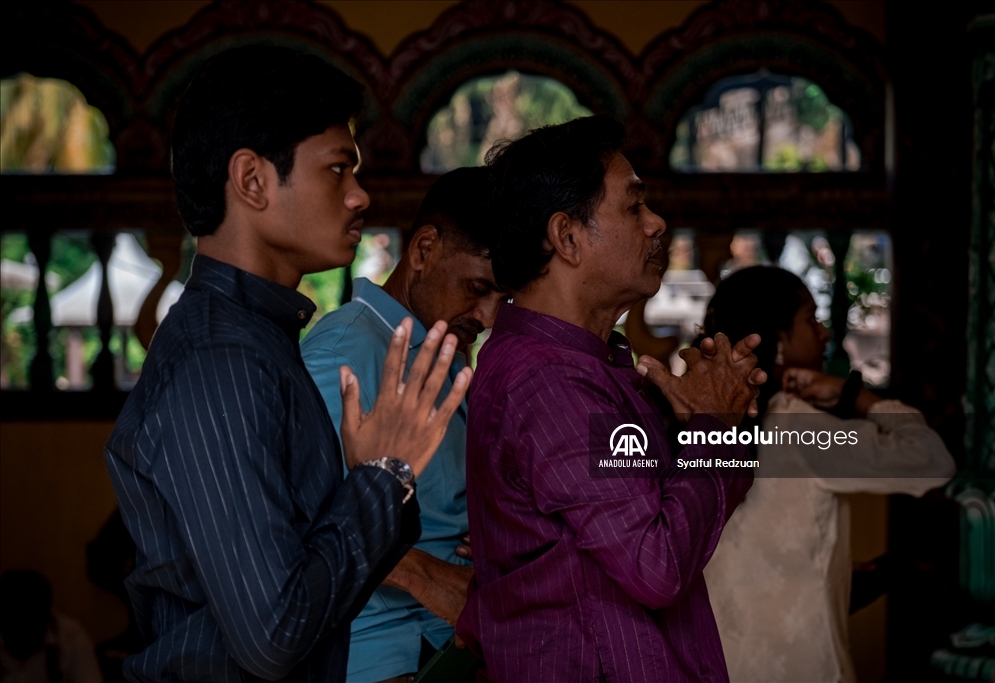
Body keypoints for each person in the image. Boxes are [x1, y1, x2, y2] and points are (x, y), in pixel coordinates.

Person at [104, 46, 472, 683]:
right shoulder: (221, 360)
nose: (359, 196)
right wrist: (384, 477)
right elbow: (273, 634)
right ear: (252, 180)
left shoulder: (261, 338)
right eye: (337, 169)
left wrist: (375, 481)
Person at [455, 115, 767, 682]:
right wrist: (712, 427)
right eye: (633, 207)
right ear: (567, 238)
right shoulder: (548, 383)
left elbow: (693, 510)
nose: (657, 224)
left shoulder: (592, 364)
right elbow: (657, 565)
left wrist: (723, 419)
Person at [699, 265, 956, 682]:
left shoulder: (700, 424)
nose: (823, 333)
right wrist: (854, 394)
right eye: (809, 319)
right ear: (779, 342)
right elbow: (930, 460)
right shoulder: (796, 425)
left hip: (715, 664)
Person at [301, 167, 502, 683]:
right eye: (478, 287)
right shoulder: (343, 351)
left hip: (445, 650)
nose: (487, 316)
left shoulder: (446, 353)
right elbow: (290, 518)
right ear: (424, 249)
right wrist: (425, 576)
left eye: (502, 297)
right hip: (374, 658)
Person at [0, 570, 103, 683]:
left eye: (29, 628)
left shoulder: (70, 636)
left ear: (47, 618)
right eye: (14, 628)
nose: (22, 636)